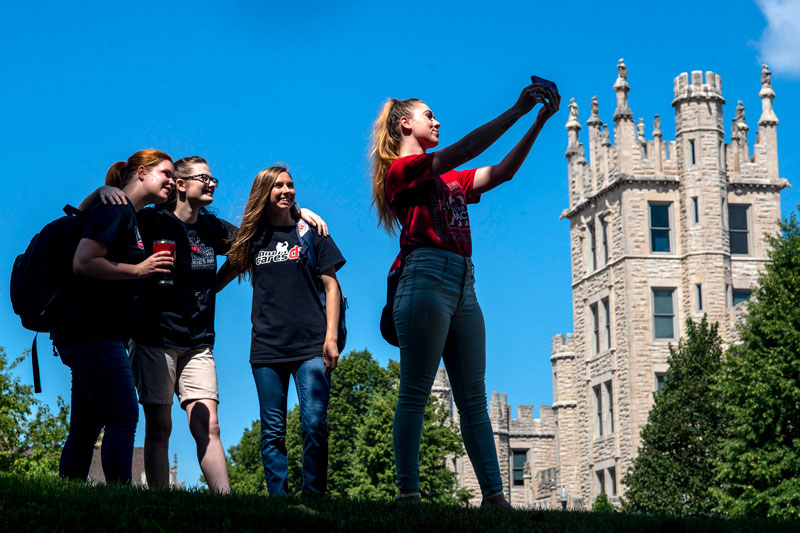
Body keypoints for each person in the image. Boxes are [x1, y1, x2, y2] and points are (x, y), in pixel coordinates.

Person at [369, 82, 560, 505]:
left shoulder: (450, 180)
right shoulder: (401, 172)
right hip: (424, 277)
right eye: (428, 116)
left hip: (463, 283)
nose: (436, 121)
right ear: (405, 124)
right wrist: (516, 109)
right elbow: (469, 147)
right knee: (415, 392)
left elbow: (502, 173)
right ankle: (408, 494)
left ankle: (494, 498)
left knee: (473, 395)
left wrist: (539, 120)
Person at [92, 157, 329, 493]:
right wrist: (104, 192)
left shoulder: (212, 228)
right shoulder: (149, 221)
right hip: (153, 338)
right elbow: (106, 224)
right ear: (180, 184)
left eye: (213, 177)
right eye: (203, 177)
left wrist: (299, 212)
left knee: (209, 425)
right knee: (159, 426)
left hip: (198, 342)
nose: (212, 183)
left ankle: (224, 499)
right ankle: (160, 499)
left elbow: (253, 239)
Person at [52, 149, 176, 484]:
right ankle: (119, 498)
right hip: (93, 331)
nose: (172, 181)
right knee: (123, 414)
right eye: (165, 173)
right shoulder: (116, 211)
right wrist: (141, 268)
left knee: (86, 427)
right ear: (140, 173)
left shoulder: (127, 215)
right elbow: (84, 261)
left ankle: (70, 495)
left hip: (93, 332)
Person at [222, 166, 345, 497]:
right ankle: (278, 499)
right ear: (264, 192)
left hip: (312, 346)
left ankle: (314, 497)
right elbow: (217, 279)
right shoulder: (251, 239)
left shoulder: (312, 232)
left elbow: (332, 286)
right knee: (272, 431)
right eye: (278, 186)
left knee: (315, 425)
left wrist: (331, 338)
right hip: (266, 348)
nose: (287, 190)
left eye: (290, 185)